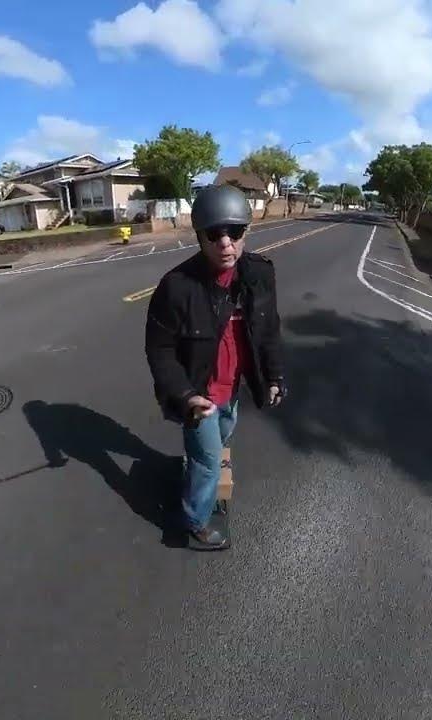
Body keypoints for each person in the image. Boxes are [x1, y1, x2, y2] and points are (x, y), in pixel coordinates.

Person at [144, 185, 285, 551]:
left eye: (235, 232)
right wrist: (187, 395)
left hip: (232, 387)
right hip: (199, 393)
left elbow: (268, 329)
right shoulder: (176, 288)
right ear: (200, 238)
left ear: (245, 234)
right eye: (214, 234)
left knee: (222, 442)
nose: (226, 244)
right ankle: (195, 520)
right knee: (208, 460)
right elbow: (159, 350)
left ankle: (207, 485)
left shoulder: (258, 275)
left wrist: (273, 377)